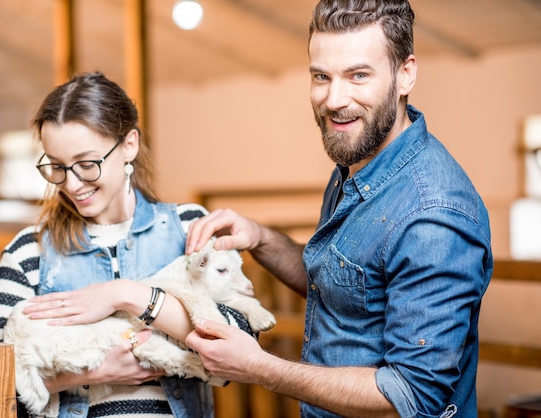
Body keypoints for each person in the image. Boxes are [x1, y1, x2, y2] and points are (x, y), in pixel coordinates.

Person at [184, 0, 493, 417]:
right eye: (321, 77)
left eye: (358, 75)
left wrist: (259, 367)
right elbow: (342, 289)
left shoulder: (433, 214)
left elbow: (411, 396)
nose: (333, 99)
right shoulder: (358, 163)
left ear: (405, 74)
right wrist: (261, 238)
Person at [0, 71, 255, 418]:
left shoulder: (188, 227)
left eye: (87, 164)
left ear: (129, 145)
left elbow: (244, 347)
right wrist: (90, 373)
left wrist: (127, 295)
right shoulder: (31, 252)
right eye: (57, 167)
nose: (71, 184)